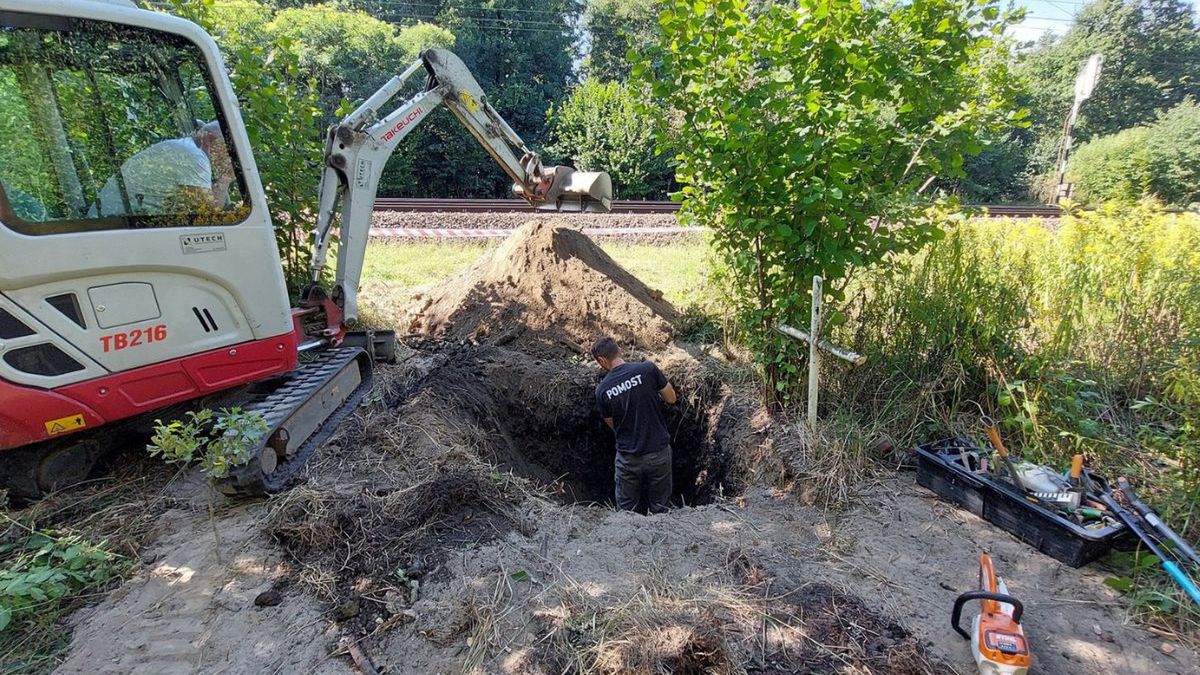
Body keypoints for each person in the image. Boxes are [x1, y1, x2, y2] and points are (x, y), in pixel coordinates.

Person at [592, 336, 678, 514]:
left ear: (601, 360)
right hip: (658, 452)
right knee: (661, 509)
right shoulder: (647, 369)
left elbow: (613, 425)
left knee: (626, 512)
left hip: (628, 458)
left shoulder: (602, 390)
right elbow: (671, 398)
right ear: (619, 351)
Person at [91, 120, 234, 217]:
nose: (229, 157)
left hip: (112, 221)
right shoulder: (193, 157)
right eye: (227, 150)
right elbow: (208, 214)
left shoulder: (183, 147)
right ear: (209, 140)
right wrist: (226, 178)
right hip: (114, 224)